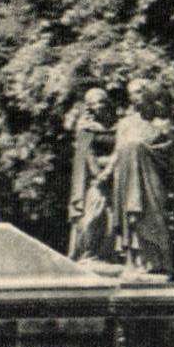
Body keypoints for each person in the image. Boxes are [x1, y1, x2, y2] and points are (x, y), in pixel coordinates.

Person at [111, 79, 174, 277]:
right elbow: (117, 153)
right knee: (133, 220)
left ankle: (158, 264)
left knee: (154, 218)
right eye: (131, 93)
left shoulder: (162, 124)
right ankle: (137, 262)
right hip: (128, 181)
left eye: (138, 92)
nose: (133, 97)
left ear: (149, 94)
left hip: (152, 180)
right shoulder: (125, 124)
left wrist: (139, 148)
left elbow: (169, 154)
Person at [67, 88, 116, 262]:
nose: (99, 106)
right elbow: (86, 153)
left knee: (111, 218)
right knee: (94, 214)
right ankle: (88, 253)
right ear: (88, 106)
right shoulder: (85, 127)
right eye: (94, 103)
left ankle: (105, 254)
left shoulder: (116, 125)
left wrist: (110, 167)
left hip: (113, 176)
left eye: (102, 101)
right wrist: (98, 174)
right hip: (93, 179)